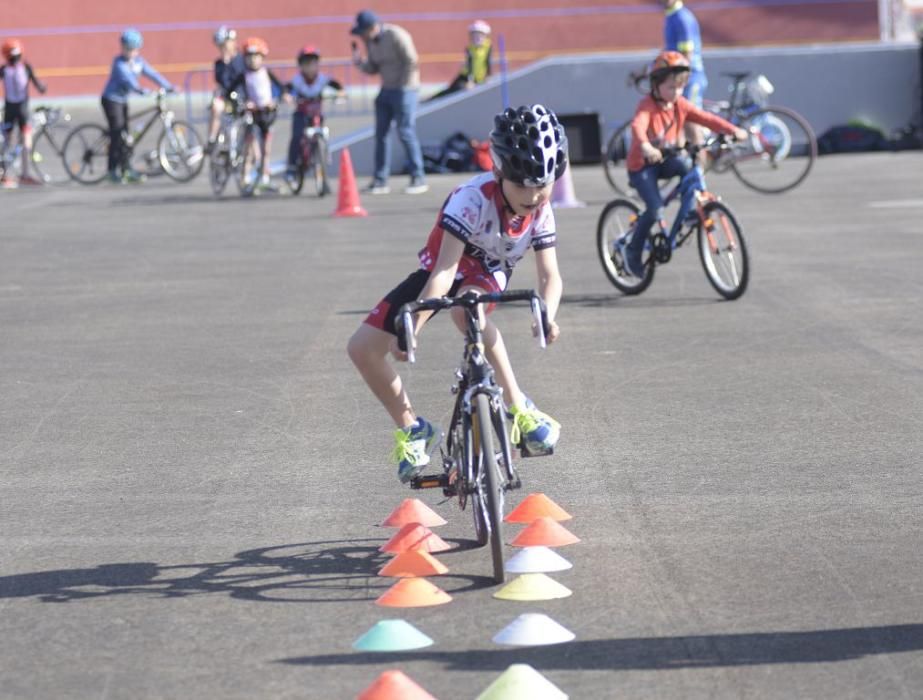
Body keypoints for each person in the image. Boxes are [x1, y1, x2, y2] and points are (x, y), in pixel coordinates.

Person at [347, 104, 567, 483]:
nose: (534, 196)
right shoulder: (471, 199)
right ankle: (413, 427)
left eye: (543, 185)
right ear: (499, 172)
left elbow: (551, 276)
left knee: (468, 312)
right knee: (362, 348)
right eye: (523, 186)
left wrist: (547, 313)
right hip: (443, 267)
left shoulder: (541, 210)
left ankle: (519, 406)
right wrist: (411, 328)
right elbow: (444, 272)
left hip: (488, 271)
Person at [622, 51, 747, 278]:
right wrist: (646, 146)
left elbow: (706, 118)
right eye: (671, 87)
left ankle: (689, 211)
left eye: (680, 87)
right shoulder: (647, 106)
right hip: (642, 166)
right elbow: (638, 126)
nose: (676, 92)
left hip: (666, 160)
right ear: (656, 86)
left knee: (687, 165)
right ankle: (632, 252)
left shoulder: (679, 104)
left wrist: (733, 130)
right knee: (655, 208)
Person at [350, 9, 428, 195]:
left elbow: (411, 61)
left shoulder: (396, 35)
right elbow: (373, 68)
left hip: (406, 89)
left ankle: (418, 177)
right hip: (387, 89)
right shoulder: (370, 43)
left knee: (405, 131)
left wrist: (402, 87)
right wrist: (360, 63)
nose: (362, 36)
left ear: (373, 27)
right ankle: (380, 180)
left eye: (364, 32)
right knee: (381, 135)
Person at [101, 28, 175, 184]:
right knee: (118, 134)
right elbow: (129, 81)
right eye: (128, 49)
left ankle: (126, 169)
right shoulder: (119, 63)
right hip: (111, 100)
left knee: (127, 136)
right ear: (123, 48)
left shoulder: (139, 62)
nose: (131, 53)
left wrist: (169, 86)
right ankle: (111, 171)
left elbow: (153, 74)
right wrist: (143, 91)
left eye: (134, 50)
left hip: (122, 101)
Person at [228, 37, 289, 191]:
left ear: (262, 57)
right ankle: (246, 177)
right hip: (251, 115)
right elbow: (230, 91)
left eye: (256, 57)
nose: (253, 61)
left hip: (267, 114)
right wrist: (242, 102)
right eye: (249, 57)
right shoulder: (243, 76)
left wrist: (280, 98)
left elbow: (281, 88)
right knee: (249, 148)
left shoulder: (266, 73)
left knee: (266, 149)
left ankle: (264, 177)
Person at [284, 45, 345, 192]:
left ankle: (323, 169)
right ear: (301, 66)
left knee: (324, 136)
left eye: (313, 63)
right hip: (301, 115)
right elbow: (287, 89)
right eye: (306, 64)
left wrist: (340, 93)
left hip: (317, 116)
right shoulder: (297, 81)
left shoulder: (322, 79)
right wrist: (287, 96)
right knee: (297, 137)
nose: (310, 68)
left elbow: (337, 86)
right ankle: (292, 168)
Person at [1, 38, 48, 187]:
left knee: (7, 142)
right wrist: (42, 88)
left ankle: (6, 174)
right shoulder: (25, 67)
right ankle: (24, 174)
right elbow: (39, 86)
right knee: (25, 140)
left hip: (11, 109)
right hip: (22, 109)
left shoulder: (4, 70)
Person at [426, 20, 493, 102]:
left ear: (485, 36)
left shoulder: (488, 46)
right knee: (451, 91)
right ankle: (431, 99)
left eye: (480, 35)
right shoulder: (469, 48)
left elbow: (488, 62)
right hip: (465, 77)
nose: (477, 38)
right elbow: (470, 66)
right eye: (474, 36)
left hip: (478, 79)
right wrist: (470, 81)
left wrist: (488, 76)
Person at [206, 26, 245, 153]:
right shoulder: (219, 63)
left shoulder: (241, 59)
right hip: (226, 98)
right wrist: (226, 62)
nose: (223, 48)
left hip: (241, 97)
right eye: (221, 46)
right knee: (216, 106)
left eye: (225, 44)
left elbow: (241, 78)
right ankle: (211, 139)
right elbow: (222, 81)